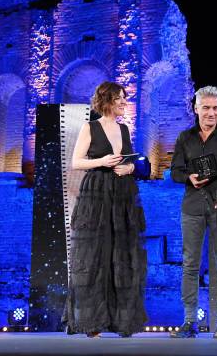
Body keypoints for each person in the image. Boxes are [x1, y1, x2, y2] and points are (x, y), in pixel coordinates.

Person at [62, 82, 147, 338]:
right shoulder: (90, 127)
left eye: (124, 98)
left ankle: (121, 321)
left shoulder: (124, 128)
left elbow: (132, 159)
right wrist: (102, 161)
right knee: (95, 255)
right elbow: (76, 161)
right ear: (107, 100)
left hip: (122, 194)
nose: (123, 102)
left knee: (122, 253)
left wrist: (130, 168)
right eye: (119, 98)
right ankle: (92, 323)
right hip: (97, 193)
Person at [170, 86, 217, 339]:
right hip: (192, 207)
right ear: (196, 108)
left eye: (216, 108)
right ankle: (188, 322)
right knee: (190, 265)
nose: (212, 113)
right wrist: (189, 177)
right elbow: (175, 172)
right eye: (206, 108)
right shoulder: (185, 137)